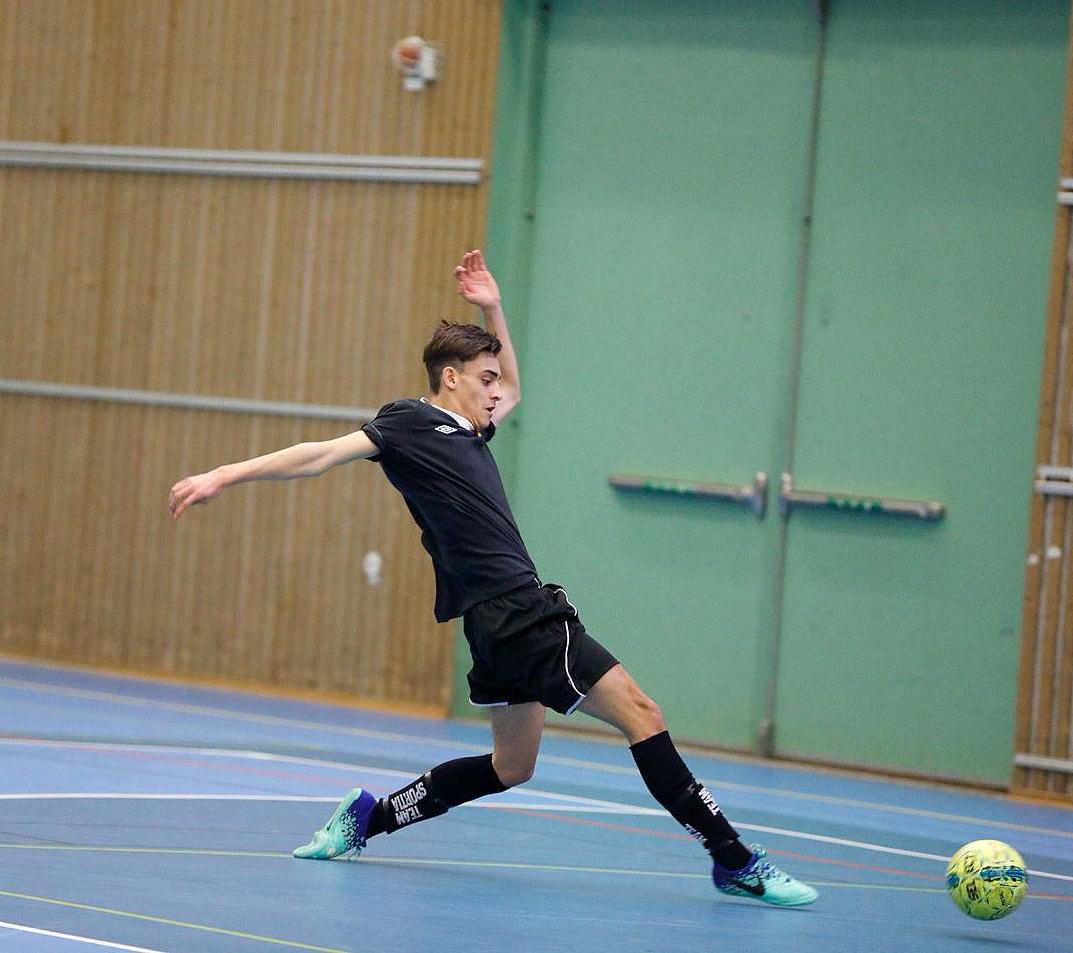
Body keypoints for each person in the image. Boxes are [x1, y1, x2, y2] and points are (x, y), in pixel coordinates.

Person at [169, 249, 817, 908]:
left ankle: (367, 818)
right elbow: (319, 455)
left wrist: (492, 306)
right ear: (450, 379)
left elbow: (516, 386)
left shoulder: (468, 429)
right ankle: (733, 858)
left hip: (498, 618)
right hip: (517, 612)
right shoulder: (408, 424)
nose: (495, 389)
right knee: (642, 713)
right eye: (484, 379)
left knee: (513, 767)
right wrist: (225, 473)